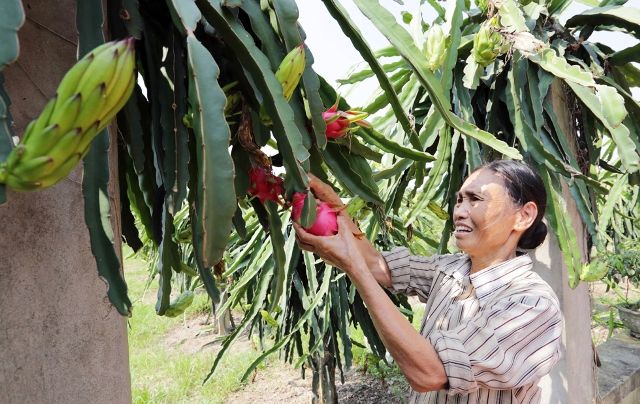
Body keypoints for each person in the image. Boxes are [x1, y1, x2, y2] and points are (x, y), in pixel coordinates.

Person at [293, 160, 563, 403]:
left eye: (474, 200)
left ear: (524, 215)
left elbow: (431, 372)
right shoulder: (450, 269)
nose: (459, 212)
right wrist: (338, 212)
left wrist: (353, 268)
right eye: (459, 201)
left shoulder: (531, 304)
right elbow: (379, 266)